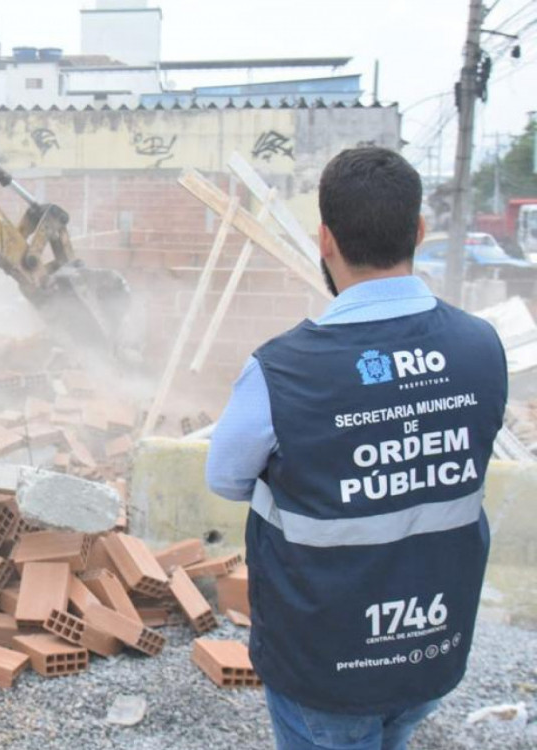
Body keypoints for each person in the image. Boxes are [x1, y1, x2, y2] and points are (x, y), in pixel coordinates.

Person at [205, 147, 506, 750]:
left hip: (325, 669)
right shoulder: (481, 348)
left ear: (324, 240)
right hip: (433, 649)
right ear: (419, 231)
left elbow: (226, 477)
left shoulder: (283, 371)